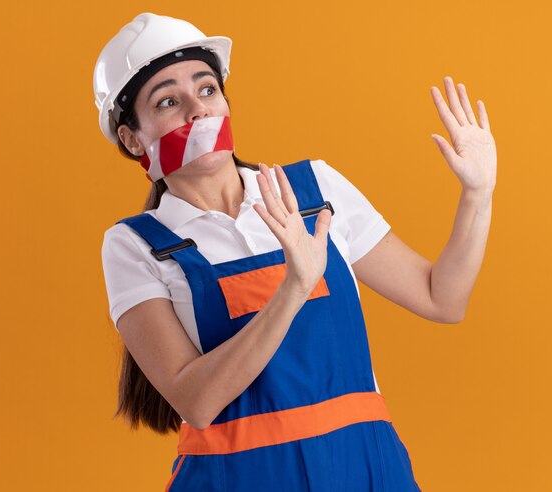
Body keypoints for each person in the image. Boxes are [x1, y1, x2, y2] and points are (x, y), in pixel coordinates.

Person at [94, 12, 496, 492]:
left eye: (206, 90)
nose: (197, 112)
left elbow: (441, 298)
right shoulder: (137, 245)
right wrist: (293, 288)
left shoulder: (314, 190)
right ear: (133, 138)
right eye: (167, 101)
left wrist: (478, 195)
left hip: (366, 470)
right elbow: (196, 401)